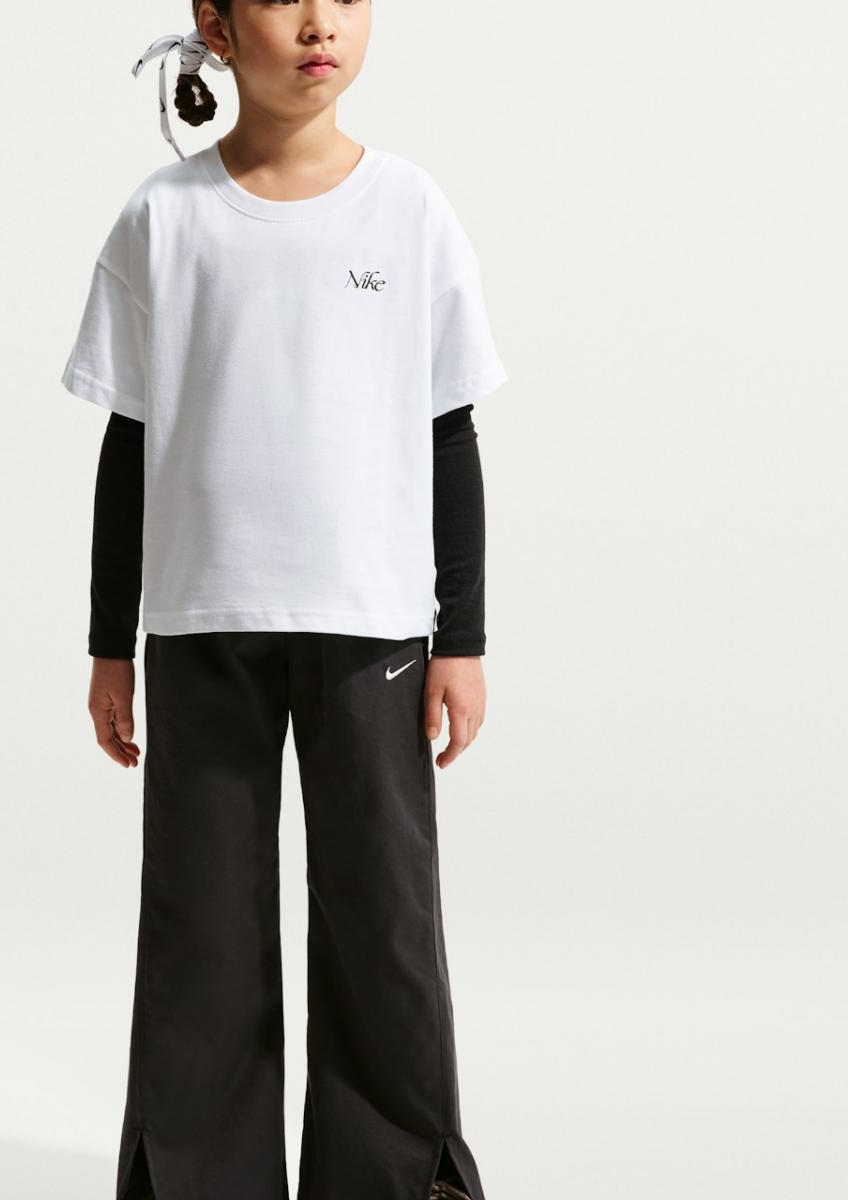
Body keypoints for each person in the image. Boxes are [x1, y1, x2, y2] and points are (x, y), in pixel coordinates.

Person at [59, 3, 508, 1197]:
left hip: (375, 631)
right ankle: (199, 1179)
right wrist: (110, 644)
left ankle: (397, 1178)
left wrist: (461, 638)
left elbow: (449, 432)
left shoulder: (410, 211)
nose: (320, 23)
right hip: (202, 625)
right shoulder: (163, 218)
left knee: (382, 922)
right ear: (213, 23)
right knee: (201, 924)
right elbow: (128, 444)